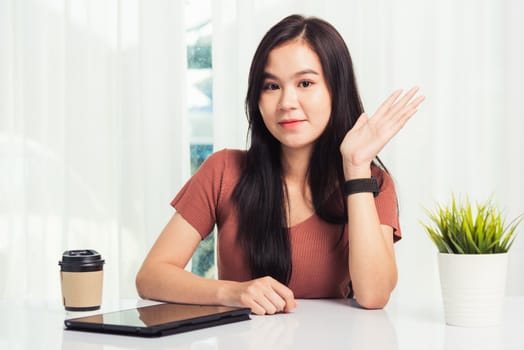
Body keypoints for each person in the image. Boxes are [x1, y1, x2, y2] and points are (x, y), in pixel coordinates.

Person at [136, 14, 425, 315]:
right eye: (272, 86)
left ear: (336, 91)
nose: (287, 102)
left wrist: (355, 166)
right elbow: (151, 276)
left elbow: (374, 295)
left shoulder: (371, 182)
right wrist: (233, 292)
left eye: (305, 83)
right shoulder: (223, 170)